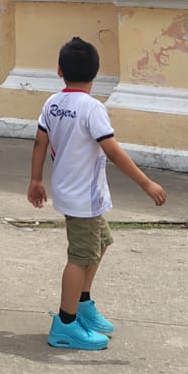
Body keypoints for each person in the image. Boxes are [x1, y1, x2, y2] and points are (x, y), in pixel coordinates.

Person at [28, 36, 167, 350]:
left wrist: (36, 180)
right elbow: (114, 153)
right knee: (80, 257)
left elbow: (40, 143)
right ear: (96, 73)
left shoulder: (52, 103)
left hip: (72, 192)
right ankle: (65, 323)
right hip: (83, 198)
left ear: (59, 70)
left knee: (101, 241)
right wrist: (147, 183)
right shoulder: (92, 108)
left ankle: (83, 304)